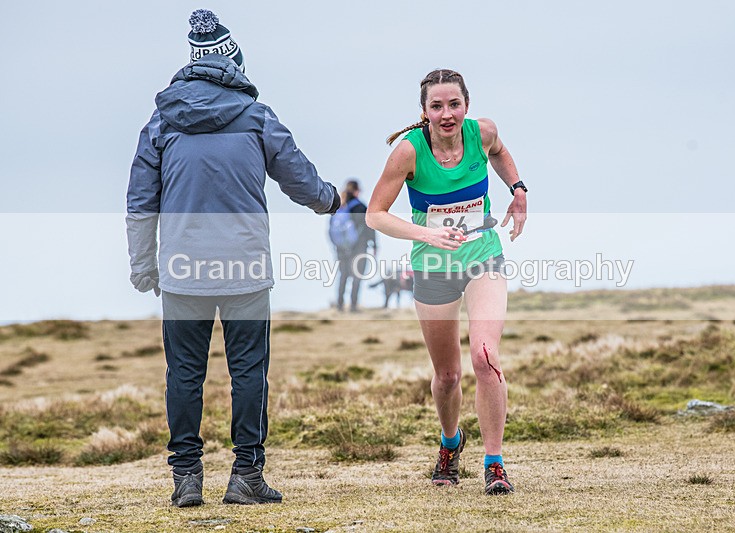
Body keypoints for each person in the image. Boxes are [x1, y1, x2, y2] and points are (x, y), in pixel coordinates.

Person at [126, 9, 340, 507]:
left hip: (182, 269)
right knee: (248, 372)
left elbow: (140, 201)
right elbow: (301, 180)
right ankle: (246, 475)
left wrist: (143, 266)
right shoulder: (256, 116)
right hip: (244, 267)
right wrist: (330, 200)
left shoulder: (161, 122)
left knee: (183, 374)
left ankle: (186, 479)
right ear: (233, 61)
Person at [366, 69, 527, 495]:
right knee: (448, 376)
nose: (446, 114)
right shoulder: (408, 152)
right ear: (424, 112)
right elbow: (375, 214)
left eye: (453, 104)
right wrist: (427, 233)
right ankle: (450, 443)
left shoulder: (483, 132)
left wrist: (518, 189)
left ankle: (494, 463)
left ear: (466, 106)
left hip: (482, 259)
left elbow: (501, 152)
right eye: (437, 106)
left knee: (485, 356)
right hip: (433, 267)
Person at [330, 180, 377, 312]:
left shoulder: (339, 207)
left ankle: (340, 305)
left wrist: (338, 246)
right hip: (359, 248)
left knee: (343, 276)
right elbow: (370, 226)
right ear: (357, 191)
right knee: (357, 277)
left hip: (341, 249)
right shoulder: (360, 207)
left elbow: (332, 230)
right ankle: (353, 306)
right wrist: (374, 245)